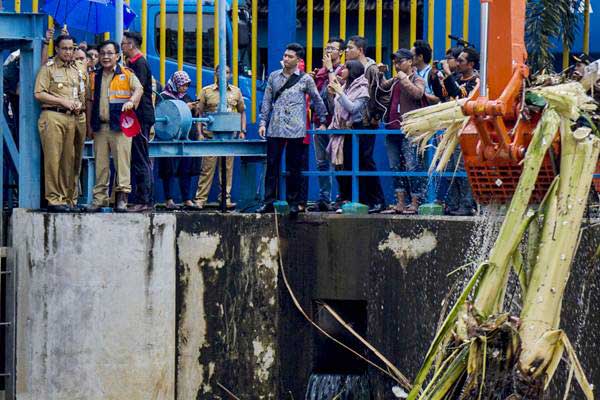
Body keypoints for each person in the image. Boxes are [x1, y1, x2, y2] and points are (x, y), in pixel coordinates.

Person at [257, 42, 328, 216]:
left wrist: (323, 120)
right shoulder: (274, 76)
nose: (286, 59)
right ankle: (268, 202)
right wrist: (262, 122)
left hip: (296, 128)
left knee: (294, 167)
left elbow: (317, 100)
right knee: (272, 165)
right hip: (275, 127)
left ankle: (294, 202)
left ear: (298, 60)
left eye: (290, 57)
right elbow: (266, 101)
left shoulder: (305, 79)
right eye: (285, 56)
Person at [86, 40, 144, 212]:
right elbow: (89, 101)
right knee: (101, 165)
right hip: (100, 127)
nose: (105, 56)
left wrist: (132, 102)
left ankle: (122, 199)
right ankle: (99, 200)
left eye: (110, 53)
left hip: (120, 127)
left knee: (122, 164)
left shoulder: (126, 74)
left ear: (117, 56)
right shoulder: (93, 76)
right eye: (102, 53)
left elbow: (139, 89)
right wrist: (89, 125)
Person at [34, 34, 88, 212]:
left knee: (71, 159)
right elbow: (39, 93)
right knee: (53, 159)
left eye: (71, 48)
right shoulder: (48, 68)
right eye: (64, 48)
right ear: (56, 49)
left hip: (74, 117)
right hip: (53, 116)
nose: (68, 52)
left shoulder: (77, 69)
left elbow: (83, 92)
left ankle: (69, 198)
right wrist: (62, 101)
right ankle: (54, 198)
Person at [379, 49, 426, 214]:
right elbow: (381, 89)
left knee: (412, 166)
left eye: (400, 61)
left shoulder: (417, 79)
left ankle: (415, 202)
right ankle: (399, 202)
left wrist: (404, 79)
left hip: (409, 130)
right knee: (395, 166)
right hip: (392, 129)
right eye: (395, 62)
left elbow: (418, 94)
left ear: (410, 62)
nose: (396, 65)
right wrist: (380, 75)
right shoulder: (395, 80)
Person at [194, 65, 247, 210]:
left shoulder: (236, 92)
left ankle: (225, 198)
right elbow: (199, 114)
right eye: (221, 72)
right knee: (206, 169)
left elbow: (242, 111)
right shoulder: (206, 91)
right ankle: (200, 199)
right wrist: (199, 133)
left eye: (227, 72)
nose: (224, 75)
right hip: (211, 137)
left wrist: (243, 130)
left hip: (230, 138)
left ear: (231, 75)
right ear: (215, 73)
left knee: (228, 170)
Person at [342, 36, 385, 213]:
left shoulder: (372, 69)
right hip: (353, 122)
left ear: (360, 50)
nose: (346, 51)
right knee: (354, 160)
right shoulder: (350, 69)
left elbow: (381, 94)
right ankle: (362, 199)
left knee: (366, 160)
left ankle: (378, 200)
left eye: (350, 48)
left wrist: (376, 115)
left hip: (367, 122)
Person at [325, 60, 369, 212]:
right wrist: (333, 93)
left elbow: (352, 108)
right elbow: (335, 108)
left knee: (351, 165)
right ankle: (343, 197)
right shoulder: (344, 86)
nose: (342, 70)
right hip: (339, 131)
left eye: (344, 68)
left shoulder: (362, 89)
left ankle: (352, 198)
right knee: (339, 166)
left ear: (352, 71)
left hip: (353, 132)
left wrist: (339, 92)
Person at [308, 37, 345, 212]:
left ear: (341, 52)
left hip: (336, 125)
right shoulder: (319, 74)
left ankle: (341, 197)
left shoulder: (344, 70)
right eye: (327, 47)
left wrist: (330, 69)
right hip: (319, 123)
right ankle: (324, 198)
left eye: (332, 48)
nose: (328, 51)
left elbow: (336, 91)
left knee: (338, 162)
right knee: (321, 162)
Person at [157, 71, 202, 209]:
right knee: (168, 168)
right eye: (182, 85)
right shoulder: (164, 97)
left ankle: (186, 198)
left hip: (186, 137)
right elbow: (163, 113)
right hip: (169, 138)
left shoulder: (187, 97)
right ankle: (169, 199)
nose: (185, 88)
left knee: (186, 168)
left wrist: (195, 108)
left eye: (187, 85)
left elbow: (194, 116)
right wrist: (184, 107)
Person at [122, 31, 156, 212]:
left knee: (141, 158)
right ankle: (143, 199)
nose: (122, 47)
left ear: (132, 45)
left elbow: (138, 88)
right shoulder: (133, 63)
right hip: (138, 116)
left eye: (124, 43)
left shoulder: (140, 64)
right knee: (138, 157)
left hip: (141, 116)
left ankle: (144, 200)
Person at [411, 40, 439, 105]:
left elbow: (438, 99)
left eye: (411, 56)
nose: (409, 58)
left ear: (420, 57)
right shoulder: (412, 73)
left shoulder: (433, 74)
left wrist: (418, 93)